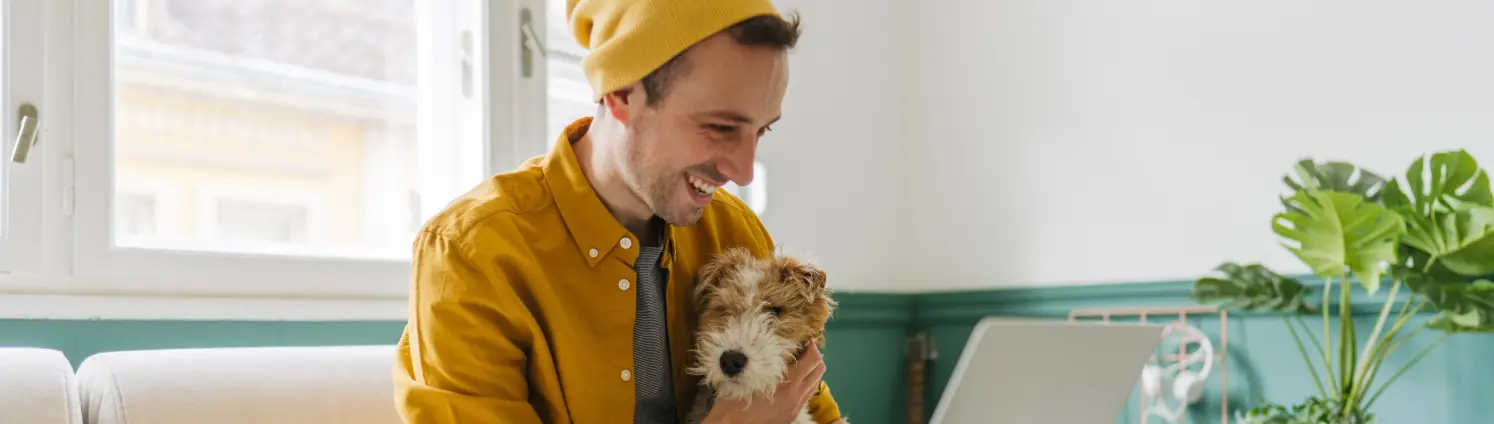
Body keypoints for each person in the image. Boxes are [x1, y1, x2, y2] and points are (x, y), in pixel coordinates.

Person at [390, 0, 844, 423]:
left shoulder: (734, 230)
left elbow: (812, 406)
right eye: (719, 127)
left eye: (760, 130)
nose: (742, 172)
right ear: (622, 94)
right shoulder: (470, 255)